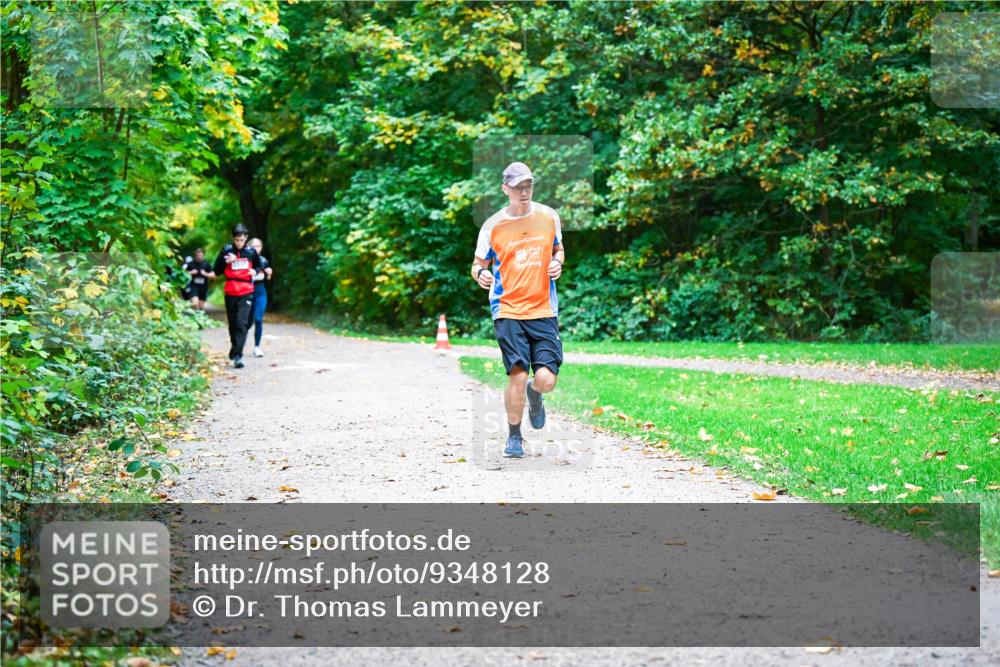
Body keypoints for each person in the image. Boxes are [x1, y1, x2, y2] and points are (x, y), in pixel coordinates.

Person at [471, 162, 565, 459]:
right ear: (505, 189)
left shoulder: (549, 217)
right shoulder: (492, 226)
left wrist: (558, 263)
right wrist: (480, 275)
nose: (524, 192)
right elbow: (478, 265)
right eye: (517, 187)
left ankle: (535, 394)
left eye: (528, 186)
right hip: (508, 309)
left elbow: (558, 249)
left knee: (546, 379)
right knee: (517, 374)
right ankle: (514, 436)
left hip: (543, 309)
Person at [213, 224, 262, 369]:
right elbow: (216, 270)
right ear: (233, 239)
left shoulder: (251, 252)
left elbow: (258, 266)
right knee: (233, 324)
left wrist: (255, 271)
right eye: (237, 240)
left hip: (246, 291)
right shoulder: (227, 250)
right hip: (231, 292)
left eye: (241, 240)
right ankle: (235, 347)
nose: (239, 243)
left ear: (246, 238)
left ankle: (238, 356)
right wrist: (225, 261)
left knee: (242, 323)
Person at [247, 238, 273, 357]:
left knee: (258, 319)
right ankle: (241, 341)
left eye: (258, 246)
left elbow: (267, 279)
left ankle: (257, 348)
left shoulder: (263, 260)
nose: (256, 248)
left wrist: (269, 273)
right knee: (248, 322)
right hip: (247, 293)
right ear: (249, 247)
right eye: (254, 246)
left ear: (261, 248)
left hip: (260, 293)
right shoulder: (246, 260)